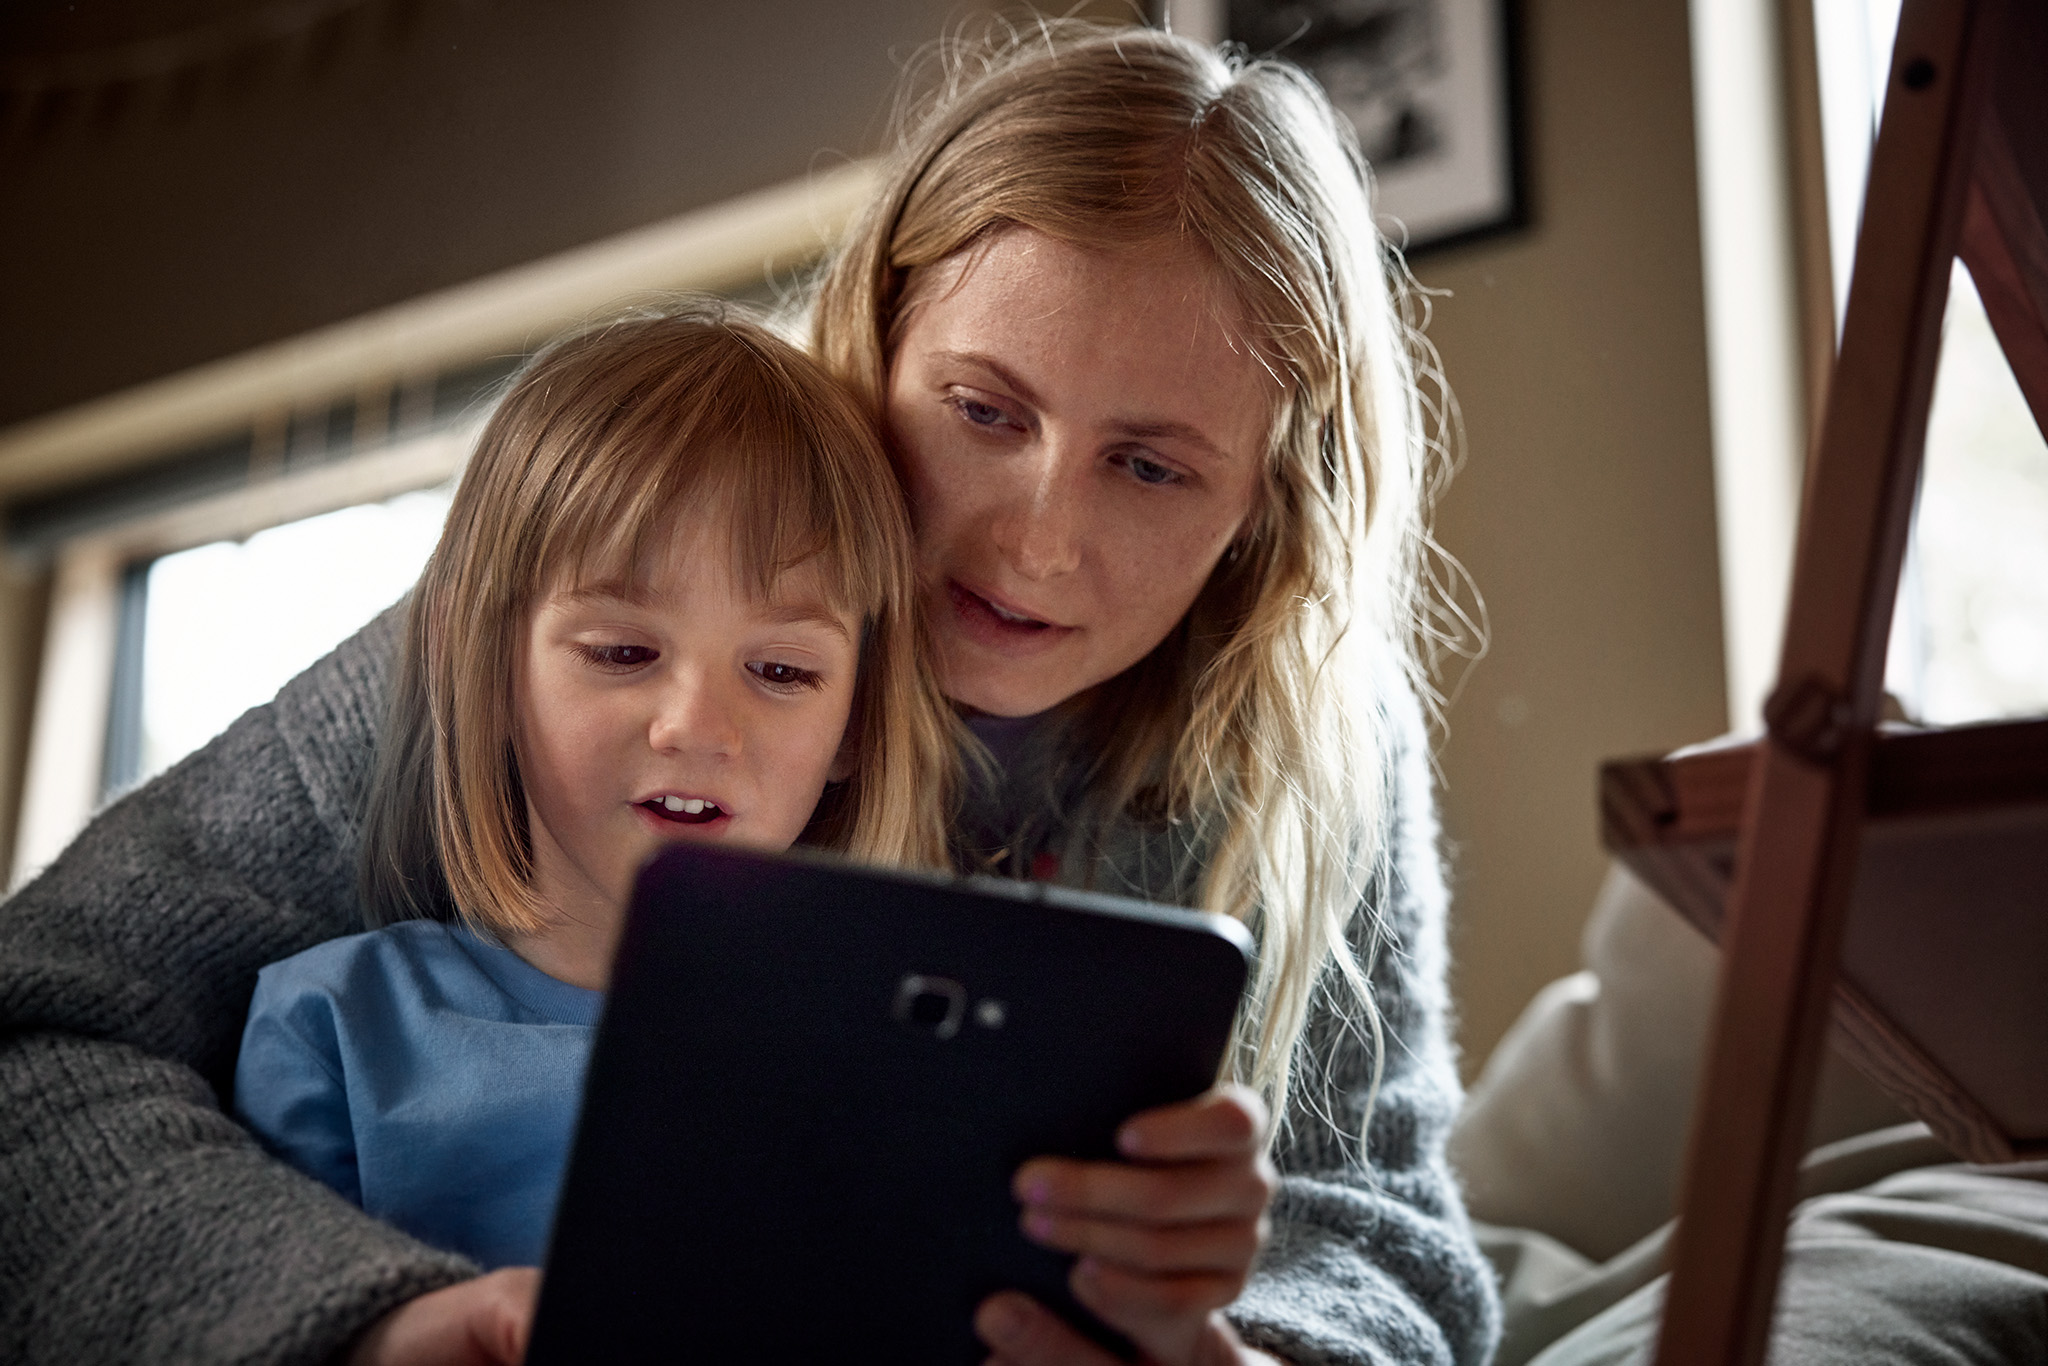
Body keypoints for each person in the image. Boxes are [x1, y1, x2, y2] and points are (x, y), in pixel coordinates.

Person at [0, 21, 1499, 1366]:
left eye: (1154, 465)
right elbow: (40, 1035)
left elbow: (1390, 1237)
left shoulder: (1308, 741)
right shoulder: (583, 621)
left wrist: (1246, 1350)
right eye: (983, 410)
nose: (1039, 540)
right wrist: (364, 1312)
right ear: (879, 335)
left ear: (1265, 506)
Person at [231, 306, 956, 1276]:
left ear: (855, 724)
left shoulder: (902, 1063)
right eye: (622, 651)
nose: (698, 725)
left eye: (781, 672)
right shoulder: (332, 1027)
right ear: (478, 664)